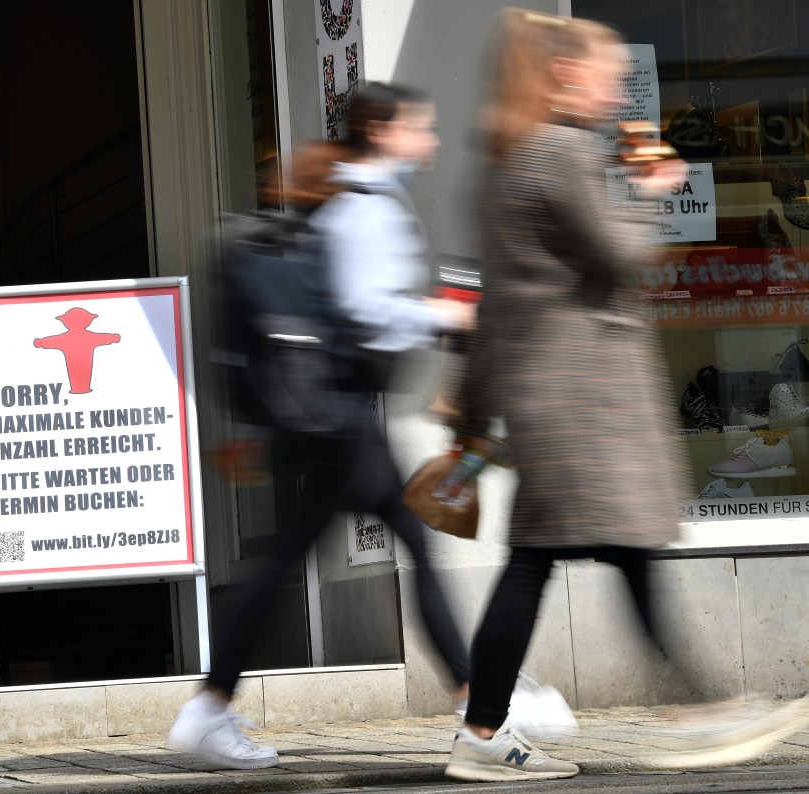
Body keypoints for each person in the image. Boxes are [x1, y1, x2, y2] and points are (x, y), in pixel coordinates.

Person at [444, 9, 802, 782]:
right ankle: (707, 712)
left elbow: (495, 308)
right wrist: (651, 187)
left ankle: (485, 733)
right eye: (607, 74)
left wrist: (471, 416)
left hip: (551, 399)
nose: (618, 89)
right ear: (566, 75)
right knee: (613, 554)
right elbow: (621, 252)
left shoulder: (512, 162)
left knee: (542, 562)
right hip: (587, 403)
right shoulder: (562, 152)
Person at [166, 82, 476, 769]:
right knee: (401, 551)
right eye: (417, 131)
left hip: (312, 422)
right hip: (338, 424)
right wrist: (441, 315)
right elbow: (357, 315)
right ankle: (479, 707)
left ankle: (209, 706)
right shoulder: (345, 217)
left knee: (287, 557)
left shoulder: (298, 234)